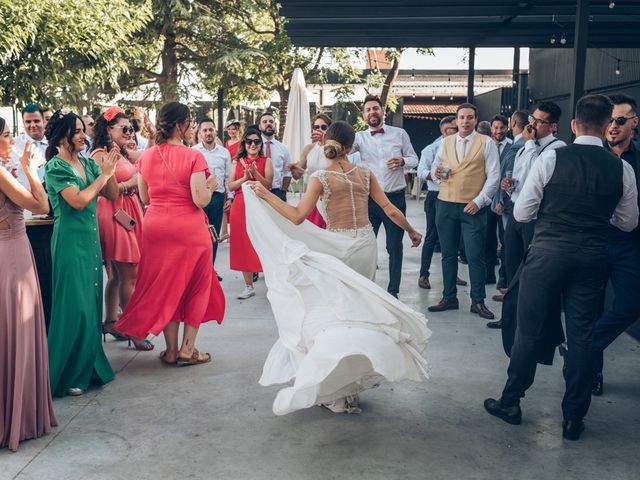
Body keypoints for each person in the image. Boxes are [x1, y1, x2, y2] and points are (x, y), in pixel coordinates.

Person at [246, 121, 429, 415]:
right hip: (367, 245)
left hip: (339, 247)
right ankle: (352, 382)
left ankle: (335, 384)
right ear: (351, 146)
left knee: (336, 317)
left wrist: (264, 193)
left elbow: (296, 217)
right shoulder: (366, 173)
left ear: (326, 144)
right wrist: (411, 231)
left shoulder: (320, 177)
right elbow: (390, 209)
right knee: (361, 314)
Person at [484, 94, 638, 441]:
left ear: (573, 125)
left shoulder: (552, 159)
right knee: (582, 336)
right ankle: (573, 418)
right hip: (593, 257)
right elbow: (628, 223)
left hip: (548, 253)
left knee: (529, 330)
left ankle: (512, 402)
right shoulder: (622, 168)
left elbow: (522, 213)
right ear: (605, 126)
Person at [115, 102, 225, 366]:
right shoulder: (193, 156)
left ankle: (172, 350)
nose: (192, 127)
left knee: (167, 286)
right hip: (188, 227)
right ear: (180, 125)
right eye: (190, 122)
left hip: (155, 226)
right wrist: (210, 186)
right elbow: (200, 200)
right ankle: (189, 349)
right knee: (197, 285)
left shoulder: (147, 156)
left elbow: (144, 196)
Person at [44, 109, 120, 396]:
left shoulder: (87, 163)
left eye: (82, 130)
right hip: (69, 242)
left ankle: (90, 368)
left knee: (90, 303)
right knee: (73, 307)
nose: (82, 135)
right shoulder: (55, 167)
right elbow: (78, 200)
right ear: (63, 136)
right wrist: (104, 177)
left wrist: (108, 170)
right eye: (76, 131)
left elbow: (111, 194)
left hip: (90, 240)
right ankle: (67, 373)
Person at [0, 116, 57, 451]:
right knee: (16, 329)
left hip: (8, 248)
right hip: (12, 253)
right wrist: (29, 169)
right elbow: (40, 205)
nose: (12, 140)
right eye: (7, 135)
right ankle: (16, 418)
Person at [428, 103, 500, 319]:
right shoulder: (446, 142)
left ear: (476, 120)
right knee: (448, 254)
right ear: (456, 121)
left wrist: (480, 201)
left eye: (470, 117)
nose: (465, 121)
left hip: (472, 206)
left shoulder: (486, 143)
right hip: (445, 204)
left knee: (475, 255)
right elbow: (434, 168)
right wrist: (436, 172)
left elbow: (494, 176)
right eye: (461, 117)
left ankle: (477, 301)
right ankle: (449, 296)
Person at [589, 93, 640, 396]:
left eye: (620, 120)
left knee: (631, 304)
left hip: (629, 243)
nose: (613, 126)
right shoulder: (591, 154)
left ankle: (580, 348)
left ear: (634, 122)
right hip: (593, 241)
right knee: (591, 309)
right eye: (610, 120)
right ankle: (591, 371)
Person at [92, 106, 153, 351]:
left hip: (129, 211)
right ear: (108, 130)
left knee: (117, 274)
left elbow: (149, 159)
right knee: (130, 274)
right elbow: (109, 189)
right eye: (124, 128)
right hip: (114, 212)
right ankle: (134, 330)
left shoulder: (125, 153)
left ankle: (111, 320)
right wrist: (132, 183)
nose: (130, 132)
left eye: (132, 128)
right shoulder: (100, 154)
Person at [350, 95, 419, 298]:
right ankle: (365, 289)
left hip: (395, 198)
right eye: (368, 110)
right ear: (364, 115)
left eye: (375, 108)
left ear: (383, 111)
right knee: (366, 245)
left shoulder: (400, 134)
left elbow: (415, 158)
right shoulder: (359, 138)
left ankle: (393, 292)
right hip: (369, 200)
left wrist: (403, 161)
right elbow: (341, 152)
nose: (372, 112)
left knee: (394, 247)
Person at [503, 102, 566, 286]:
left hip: (536, 215)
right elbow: (520, 178)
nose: (531, 125)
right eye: (531, 119)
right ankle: (511, 309)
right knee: (511, 262)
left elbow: (534, 173)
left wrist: (529, 142)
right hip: (515, 208)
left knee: (529, 266)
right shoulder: (524, 147)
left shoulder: (557, 148)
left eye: (538, 121)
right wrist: (508, 185)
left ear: (553, 126)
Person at [417, 116, 467, 289]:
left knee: (453, 236)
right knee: (432, 236)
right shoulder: (431, 149)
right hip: (436, 195)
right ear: (446, 131)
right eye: (455, 128)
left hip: (455, 196)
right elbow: (420, 171)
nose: (460, 128)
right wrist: (435, 175)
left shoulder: (463, 148)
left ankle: (452, 275)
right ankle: (424, 274)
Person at [228, 128, 274, 299]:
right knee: (242, 245)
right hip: (241, 205)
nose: (253, 144)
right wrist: (245, 178)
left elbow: (269, 185)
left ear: (260, 144)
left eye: (256, 141)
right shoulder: (237, 162)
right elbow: (230, 186)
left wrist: (255, 174)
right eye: (249, 141)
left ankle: (271, 281)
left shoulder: (266, 161)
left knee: (264, 244)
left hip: (261, 204)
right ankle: (249, 286)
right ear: (244, 144)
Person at [489, 110, 528, 307]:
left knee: (510, 248)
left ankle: (509, 287)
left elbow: (508, 176)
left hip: (511, 205)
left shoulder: (517, 147)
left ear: (512, 124)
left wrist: (501, 199)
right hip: (517, 204)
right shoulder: (527, 146)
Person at [192, 118, 232, 274]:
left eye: (211, 130)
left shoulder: (224, 153)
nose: (208, 133)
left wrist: (229, 198)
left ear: (215, 131)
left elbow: (228, 177)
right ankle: (199, 270)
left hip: (217, 198)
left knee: (213, 235)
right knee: (199, 235)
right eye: (205, 130)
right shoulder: (193, 151)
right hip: (198, 199)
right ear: (200, 133)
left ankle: (210, 270)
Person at [288, 113, 333, 228]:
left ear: (329, 129)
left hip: (331, 197)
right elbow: (297, 175)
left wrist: (325, 142)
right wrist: (293, 169)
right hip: (312, 197)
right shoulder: (309, 148)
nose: (319, 130)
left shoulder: (334, 148)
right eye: (316, 127)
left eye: (323, 127)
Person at [486, 114, 512, 286]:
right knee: (487, 238)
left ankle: (504, 278)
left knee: (506, 240)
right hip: (487, 199)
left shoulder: (513, 147)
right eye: (495, 127)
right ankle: (488, 275)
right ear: (491, 128)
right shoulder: (485, 145)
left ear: (507, 128)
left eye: (501, 127)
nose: (498, 131)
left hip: (505, 201)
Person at [258, 112, 292, 202]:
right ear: (260, 127)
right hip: (257, 190)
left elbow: (287, 172)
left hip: (276, 192)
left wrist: (283, 192)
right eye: (264, 122)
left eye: (271, 122)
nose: (268, 124)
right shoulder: (253, 146)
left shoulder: (283, 148)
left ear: (275, 125)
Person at [13, 103, 48, 188]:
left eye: (36, 121)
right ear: (23, 123)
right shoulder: (13, 145)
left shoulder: (55, 142)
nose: (32, 125)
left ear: (43, 121)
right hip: (26, 197)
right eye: (28, 122)